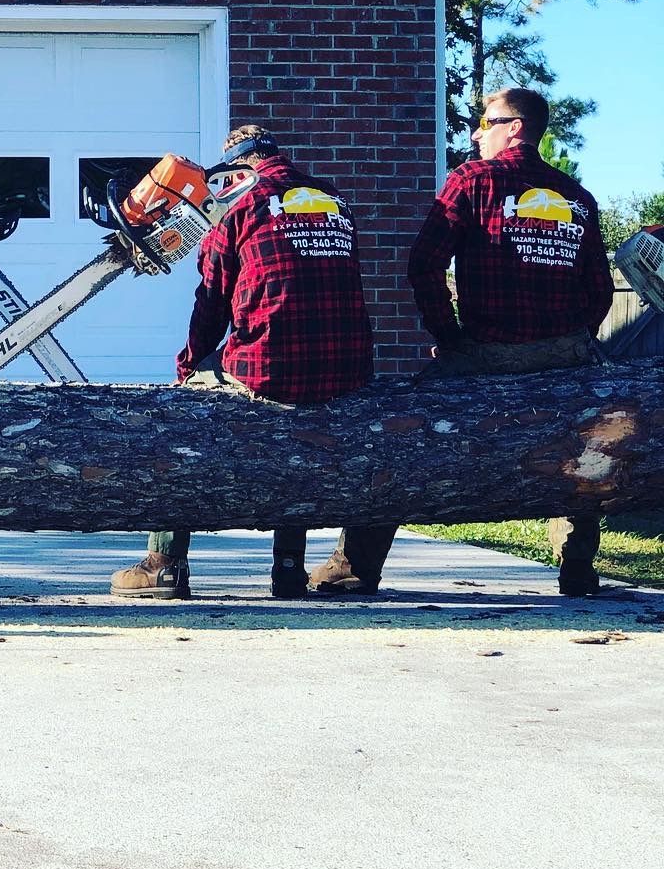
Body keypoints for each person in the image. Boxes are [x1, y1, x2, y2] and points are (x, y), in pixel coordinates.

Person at [312, 86, 615, 598]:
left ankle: (355, 565)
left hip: (485, 350)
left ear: (514, 127)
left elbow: (423, 264)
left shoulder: (473, 181)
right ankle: (579, 569)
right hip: (564, 354)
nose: (476, 133)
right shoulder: (576, 197)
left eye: (486, 122)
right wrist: (569, 337)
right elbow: (600, 291)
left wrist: (449, 336)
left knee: (401, 435)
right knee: (577, 441)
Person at [110, 125, 375, 601]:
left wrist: (188, 365)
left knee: (178, 418)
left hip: (267, 366)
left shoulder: (237, 203)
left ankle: (163, 565)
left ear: (237, 165)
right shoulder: (332, 198)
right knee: (300, 434)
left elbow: (211, 299)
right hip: (346, 370)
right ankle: (290, 568)